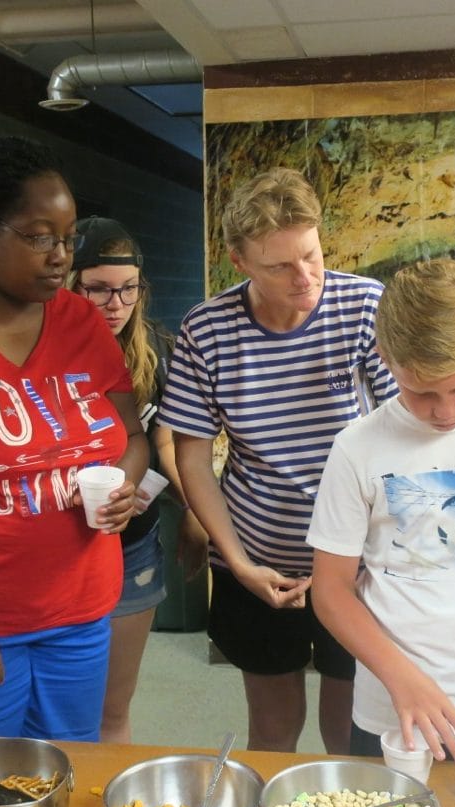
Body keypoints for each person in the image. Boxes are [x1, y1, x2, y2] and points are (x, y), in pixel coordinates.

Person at [158, 167, 398, 753]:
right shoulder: (207, 329)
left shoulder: (364, 304)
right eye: (280, 266)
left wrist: (378, 551)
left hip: (356, 558)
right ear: (239, 261)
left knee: (349, 726)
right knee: (272, 726)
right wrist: (239, 564)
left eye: (311, 255)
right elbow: (193, 458)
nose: (304, 277)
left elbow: (403, 432)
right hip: (258, 552)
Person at [0, 136, 149, 741]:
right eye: (39, 237)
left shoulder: (81, 322)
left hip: (80, 613)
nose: (60, 257)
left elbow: (132, 435)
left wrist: (125, 485)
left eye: (68, 238)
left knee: (68, 770)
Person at [308, 257, 455, 764]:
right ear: (386, 358)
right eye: (422, 392)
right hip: (395, 710)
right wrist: (401, 678)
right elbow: (331, 590)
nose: (445, 412)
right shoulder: (357, 448)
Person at [69, 216, 208, 743]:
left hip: (132, 545)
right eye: (99, 289)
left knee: (113, 709)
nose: (116, 304)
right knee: (58, 707)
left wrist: (194, 511)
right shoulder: (45, 349)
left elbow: (165, 445)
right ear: (71, 283)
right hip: (58, 546)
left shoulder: (157, 350)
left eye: (128, 288)